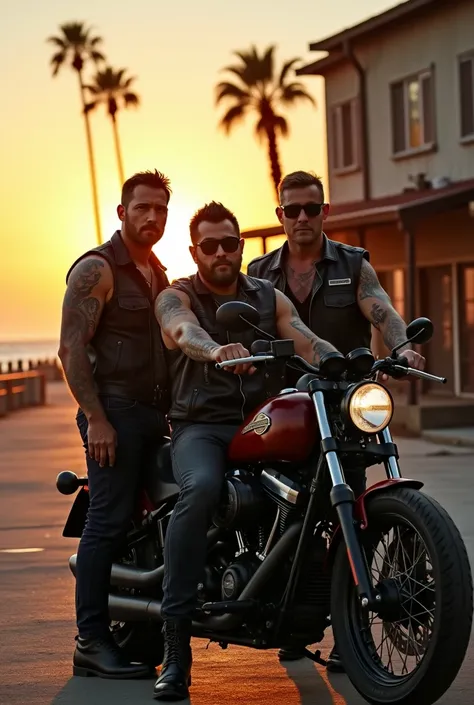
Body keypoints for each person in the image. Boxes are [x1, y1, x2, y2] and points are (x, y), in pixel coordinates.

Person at [153, 201, 342, 701]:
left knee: (317, 483)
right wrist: (215, 349)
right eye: (209, 244)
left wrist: (344, 363)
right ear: (194, 251)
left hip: (261, 423)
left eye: (229, 242)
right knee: (202, 491)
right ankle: (175, 647)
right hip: (202, 426)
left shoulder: (266, 295)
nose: (221, 252)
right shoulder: (177, 295)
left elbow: (305, 339)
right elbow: (181, 331)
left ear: (240, 246)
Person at [247, 170, 426, 668]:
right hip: (281, 415)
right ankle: (289, 621)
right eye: (290, 210)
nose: (301, 217)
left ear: (325, 211)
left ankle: (354, 637)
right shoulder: (259, 271)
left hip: (343, 413)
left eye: (311, 208)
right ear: (280, 214)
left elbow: (383, 311)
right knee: (281, 519)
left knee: (351, 515)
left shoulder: (353, 264)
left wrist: (404, 348)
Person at [58, 169, 172, 679]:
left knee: (155, 516)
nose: (152, 216)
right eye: (142, 207)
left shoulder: (160, 273)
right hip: (115, 413)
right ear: (122, 212)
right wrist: (97, 419)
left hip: (156, 413)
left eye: (161, 209)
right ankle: (91, 641)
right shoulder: (96, 269)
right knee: (106, 518)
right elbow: (71, 348)